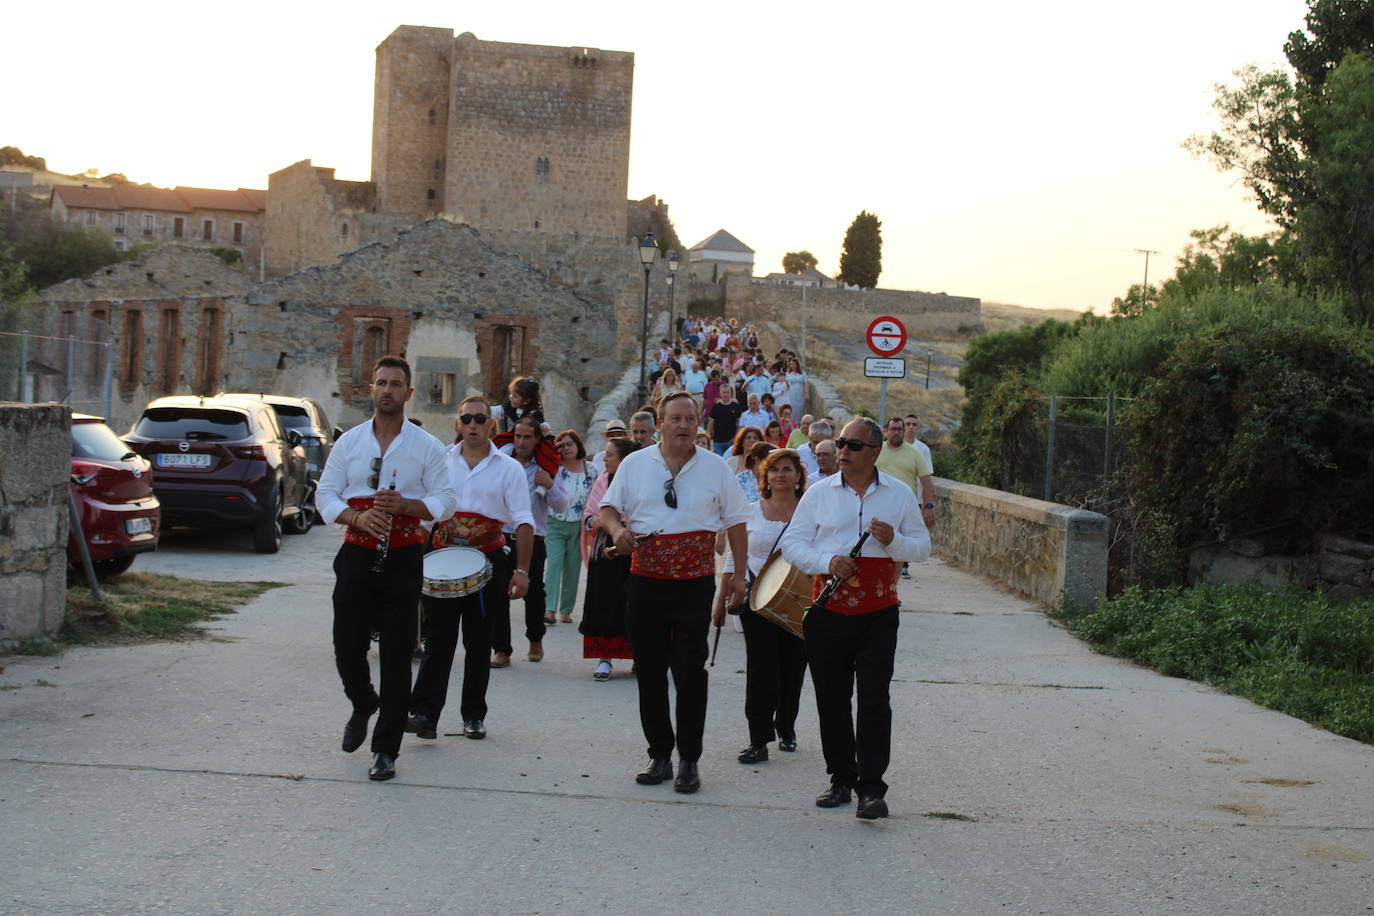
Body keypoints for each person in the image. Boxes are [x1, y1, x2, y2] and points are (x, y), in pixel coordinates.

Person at [599, 391, 751, 794]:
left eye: (690, 418)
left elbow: (737, 522)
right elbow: (607, 509)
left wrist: (738, 576)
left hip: (694, 585)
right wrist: (617, 530)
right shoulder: (634, 464)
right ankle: (660, 755)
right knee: (649, 669)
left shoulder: (715, 467)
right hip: (645, 582)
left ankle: (689, 759)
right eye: (675, 418)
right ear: (660, 423)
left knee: (689, 671)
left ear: (699, 424)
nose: (683, 425)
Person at [780, 417, 930, 819]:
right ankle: (841, 779)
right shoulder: (818, 493)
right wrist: (827, 561)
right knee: (832, 699)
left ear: (875, 452)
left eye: (853, 445)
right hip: (828, 611)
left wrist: (894, 541)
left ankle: (872, 788)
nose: (842, 451)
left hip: (879, 613)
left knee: (875, 699)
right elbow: (792, 544)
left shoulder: (899, 494)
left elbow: (922, 547)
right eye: (841, 443)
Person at [316, 355, 457, 782]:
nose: (388, 390)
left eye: (396, 384)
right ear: (372, 388)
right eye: (382, 383)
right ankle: (363, 703)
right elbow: (325, 494)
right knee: (346, 646)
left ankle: (385, 749)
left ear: (408, 393)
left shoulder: (427, 446)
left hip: (403, 557)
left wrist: (409, 506)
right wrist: (356, 517)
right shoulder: (350, 442)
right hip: (357, 552)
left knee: (397, 654)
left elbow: (446, 500)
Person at [408, 395, 532, 745]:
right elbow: (424, 516)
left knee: (479, 641)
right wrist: (415, 559)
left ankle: (473, 715)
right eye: (467, 419)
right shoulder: (440, 463)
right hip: (443, 560)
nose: (473, 424)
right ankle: (424, 713)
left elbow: (523, 520)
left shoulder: (509, 468)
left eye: (480, 418)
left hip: (488, 562)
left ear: (492, 424)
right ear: (458, 424)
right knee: (438, 638)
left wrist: (522, 571)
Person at [714, 448, 808, 764]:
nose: (781, 475)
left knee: (793, 667)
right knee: (760, 669)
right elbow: (734, 556)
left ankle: (787, 726)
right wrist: (722, 597)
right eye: (774, 469)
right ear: (765, 477)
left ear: (798, 476)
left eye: (787, 469)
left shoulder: (810, 514)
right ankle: (758, 739)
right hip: (757, 601)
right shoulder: (750, 512)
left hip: (797, 602)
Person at [492, 415, 568, 665]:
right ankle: (501, 649)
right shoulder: (501, 462)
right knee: (498, 592)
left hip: (533, 539)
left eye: (527, 437)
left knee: (534, 593)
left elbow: (562, 505)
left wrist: (549, 485)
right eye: (518, 436)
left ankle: (535, 639)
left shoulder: (546, 466)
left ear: (537, 440)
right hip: (502, 536)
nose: (521, 442)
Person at [579, 437, 641, 680]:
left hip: (635, 548)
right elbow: (589, 512)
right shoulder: (603, 480)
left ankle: (639, 654)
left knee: (635, 603)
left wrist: (621, 523)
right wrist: (597, 520)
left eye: (610, 454)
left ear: (624, 460)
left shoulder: (641, 480)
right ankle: (605, 657)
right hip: (606, 552)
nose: (604, 458)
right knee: (604, 601)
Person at [546, 430, 595, 625]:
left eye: (570, 444)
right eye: (562, 445)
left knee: (573, 568)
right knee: (554, 565)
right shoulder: (554, 467)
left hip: (578, 526)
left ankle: (566, 610)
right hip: (554, 523)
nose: (566, 448)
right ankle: (549, 609)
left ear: (578, 445)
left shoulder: (590, 469)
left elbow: (596, 496)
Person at [876, 417, 935, 532]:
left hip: (906, 510)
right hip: (879, 507)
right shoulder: (876, 451)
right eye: (893, 429)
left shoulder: (915, 453)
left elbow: (927, 483)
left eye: (899, 429)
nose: (896, 432)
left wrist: (928, 507)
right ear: (886, 431)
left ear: (903, 431)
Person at [904, 413, 937, 526]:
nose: (911, 427)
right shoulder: (895, 447)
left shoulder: (923, 449)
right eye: (908, 424)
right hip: (897, 499)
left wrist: (927, 504)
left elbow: (927, 478)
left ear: (918, 428)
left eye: (914, 425)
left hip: (916, 501)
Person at [706, 383, 743, 457]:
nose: (726, 394)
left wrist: (736, 437)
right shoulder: (716, 407)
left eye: (728, 392)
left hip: (731, 441)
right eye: (724, 392)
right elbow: (710, 424)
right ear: (720, 393)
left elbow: (739, 424)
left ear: (731, 393)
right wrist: (708, 438)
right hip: (718, 441)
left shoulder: (736, 406)